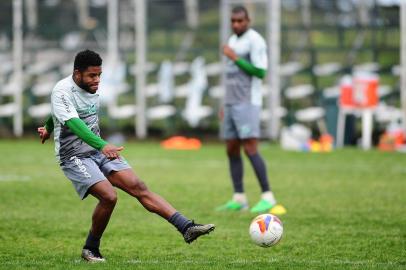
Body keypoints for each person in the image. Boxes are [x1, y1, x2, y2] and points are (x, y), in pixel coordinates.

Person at [37, 49, 215, 262]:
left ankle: (186, 227)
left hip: (96, 150)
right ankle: (90, 249)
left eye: (99, 75)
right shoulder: (62, 90)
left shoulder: (89, 86)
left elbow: (61, 111)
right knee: (109, 196)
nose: (97, 80)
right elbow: (73, 122)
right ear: (77, 74)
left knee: (138, 186)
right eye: (92, 76)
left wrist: (48, 127)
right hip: (74, 156)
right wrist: (102, 145)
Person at [216, 6, 286, 214]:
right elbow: (230, 76)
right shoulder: (233, 40)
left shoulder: (256, 41)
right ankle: (239, 198)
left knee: (250, 148)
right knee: (231, 148)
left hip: (247, 103)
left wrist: (235, 57)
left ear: (248, 20)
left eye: (240, 21)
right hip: (231, 103)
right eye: (233, 21)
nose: (236, 24)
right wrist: (224, 104)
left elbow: (260, 72)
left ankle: (268, 197)